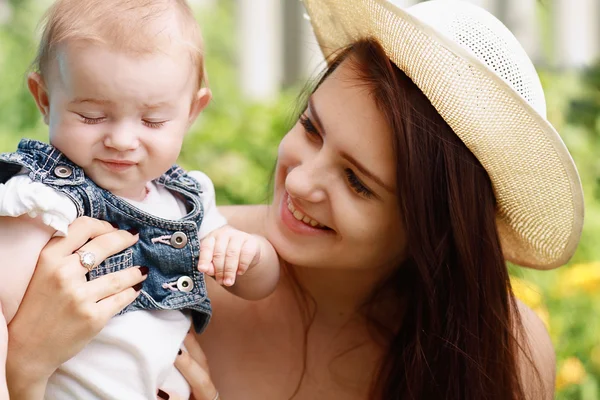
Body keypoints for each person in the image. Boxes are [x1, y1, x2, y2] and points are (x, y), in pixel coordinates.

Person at [6, 0, 585, 399]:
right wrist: (27, 369)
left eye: (357, 182)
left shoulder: (503, 353)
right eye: (311, 128)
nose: (303, 182)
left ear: (433, 227)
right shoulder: (176, 263)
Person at [0, 0, 280, 399]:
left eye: (152, 121)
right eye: (92, 115)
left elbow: (260, 286)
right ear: (44, 99)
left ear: (192, 111)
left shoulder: (186, 201)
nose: (122, 140)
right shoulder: (42, 201)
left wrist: (249, 253)